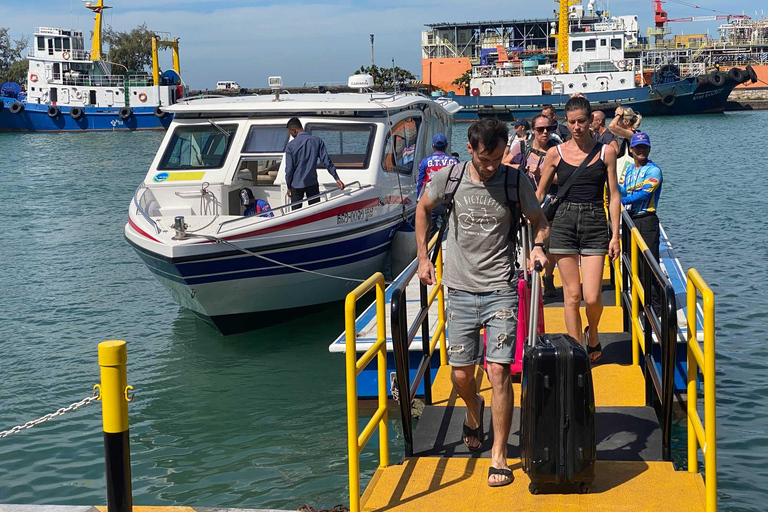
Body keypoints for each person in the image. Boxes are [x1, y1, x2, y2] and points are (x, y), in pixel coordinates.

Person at [416, 118, 550, 488]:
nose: (491, 166)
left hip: (501, 289)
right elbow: (423, 209)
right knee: (460, 374)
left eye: (497, 158)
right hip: (458, 288)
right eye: (484, 159)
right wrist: (423, 258)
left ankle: (499, 456)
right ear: (471, 149)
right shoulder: (451, 178)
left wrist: (538, 247)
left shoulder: (514, 181)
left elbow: (539, 220)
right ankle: (474, 413)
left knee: (499, 371)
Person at [536, 95, 621, 363]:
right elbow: (539, 194)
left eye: (581, 121)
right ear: (566, 123)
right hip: (563, 221)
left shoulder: (606, 152)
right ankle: (577, 353)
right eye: (571, 122)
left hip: (595, 221)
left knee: (592, 296)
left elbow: (614, 194)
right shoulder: (554, 154)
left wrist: (616, 235)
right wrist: (526, 221)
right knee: (572, 295)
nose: (576, 127)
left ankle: (593, 331)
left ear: (591, 121)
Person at [618, 132, 662, 294]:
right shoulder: (628, 170)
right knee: (632, 263)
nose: (641, 150)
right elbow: (623, 190)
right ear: (631, 150)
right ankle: (637, 300)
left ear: (649, 149)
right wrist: (609, 181)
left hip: (647, 220)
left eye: (644, 147)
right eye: (638, 148)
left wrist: (620, 202)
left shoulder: (654, 171)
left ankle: (656, 308)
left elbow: (644, 194)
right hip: (630, 220)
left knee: (649, 265)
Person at [284, 117, 345, 210]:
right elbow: (327, 161)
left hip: (296, 184)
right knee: (315, 210)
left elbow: (289, 169)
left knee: (295, 213)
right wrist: (336, 178)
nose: (290, 134)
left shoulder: (290, 146)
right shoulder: (317, 141)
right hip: (312, 182)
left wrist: (289, 186)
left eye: (290, 132)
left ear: (293, 130)